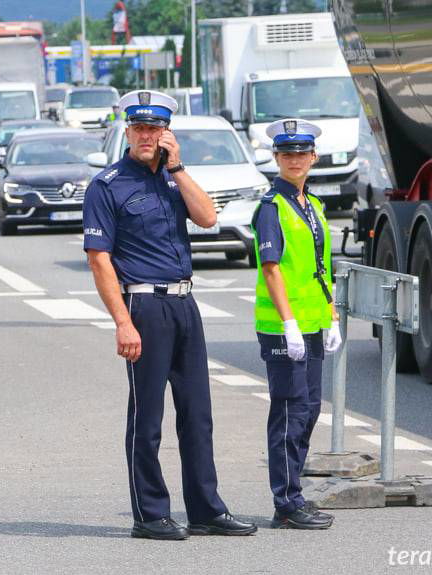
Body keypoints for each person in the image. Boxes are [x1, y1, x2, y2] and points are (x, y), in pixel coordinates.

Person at [84, 90, 257, 541]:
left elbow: (207, 218)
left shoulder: (172, 178)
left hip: (185, 304)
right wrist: (123, 321)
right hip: (145, 305)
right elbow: (99, 260)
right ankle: (150, 513)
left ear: (166, 133)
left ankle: (205, 509)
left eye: (155, 129)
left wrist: (178, 168)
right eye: (140, 129)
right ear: (127, 132)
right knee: (148, 418)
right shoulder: (107, 186)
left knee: (197, 413)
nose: (147, 136)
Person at [250, 118, 343, 529]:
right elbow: (271, 269)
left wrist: (332, 314)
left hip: (313, 323)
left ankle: (296, 495)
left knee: (307, 411)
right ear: (276, 158)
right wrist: (288, 322)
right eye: (286, 154)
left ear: (313, 157)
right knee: (288, 415)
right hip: (283, 328)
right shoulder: (272, 208)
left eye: (301, 153)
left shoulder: (312, 205)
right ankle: (285, 504)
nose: (295, 160)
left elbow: (319, 267)